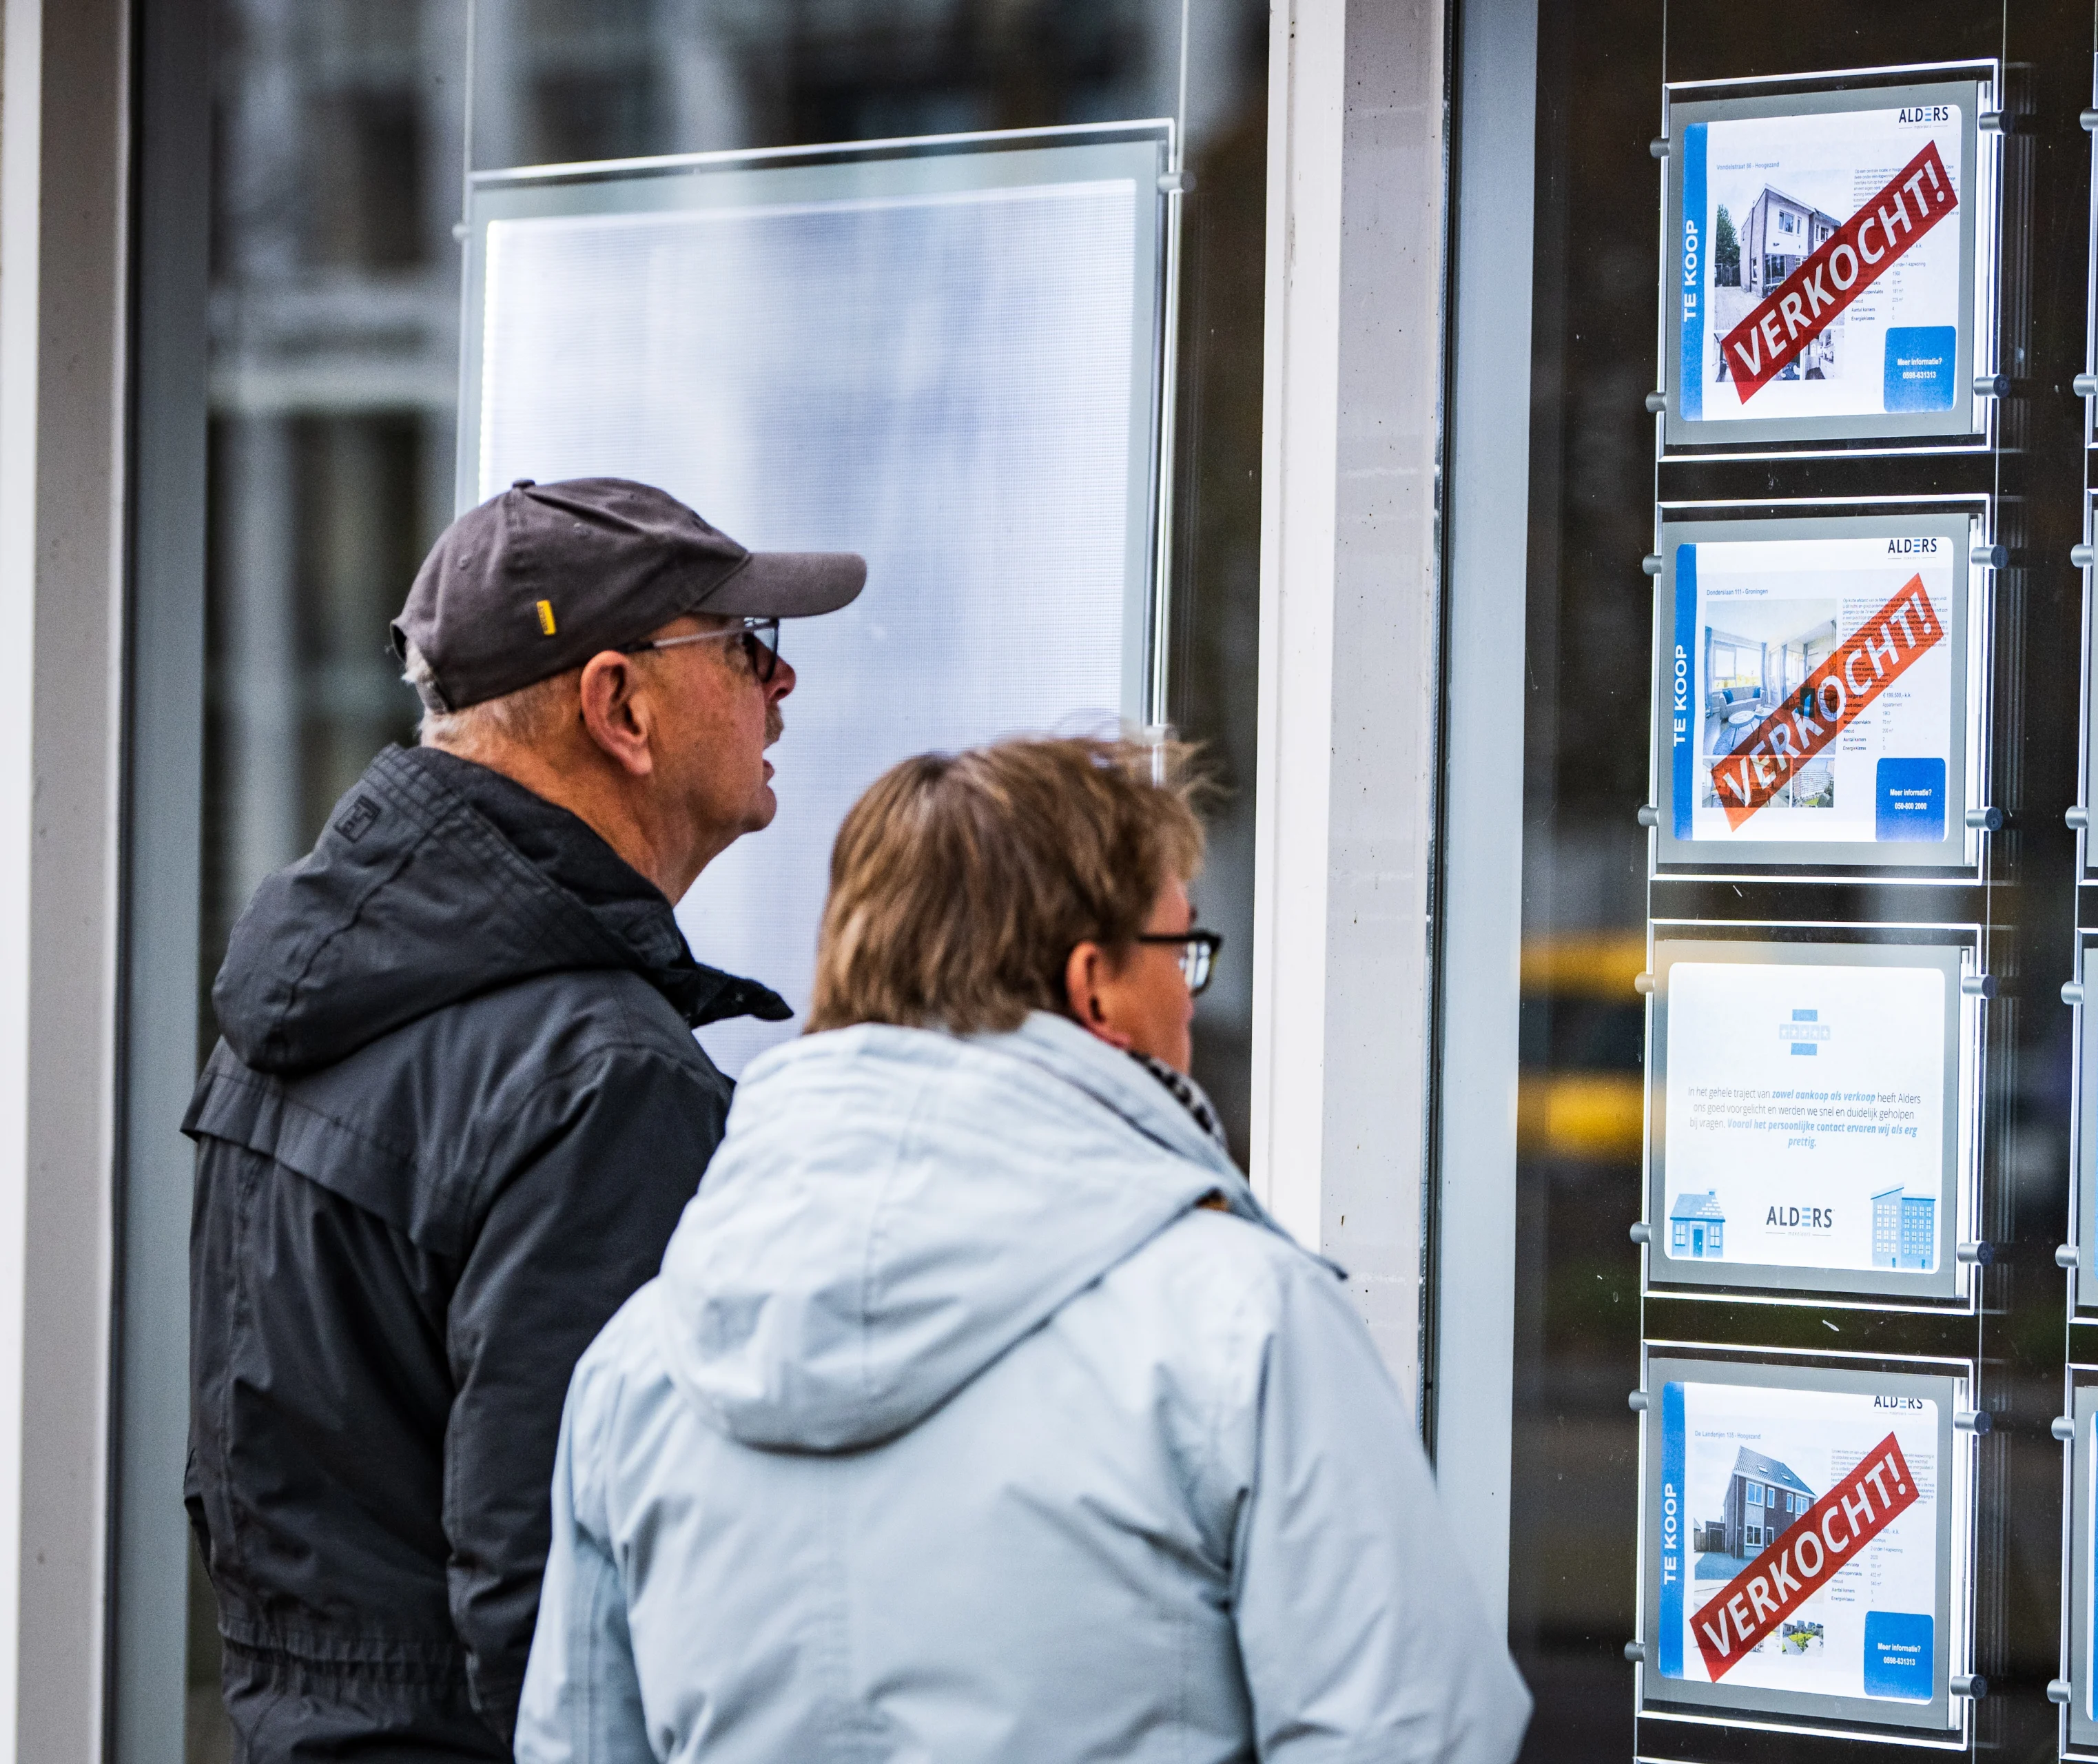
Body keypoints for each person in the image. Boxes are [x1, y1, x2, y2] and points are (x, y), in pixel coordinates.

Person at [515, 736, 1533, 1764]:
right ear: (1093, 987)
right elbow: (1415, 1737)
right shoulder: (1239, 1330)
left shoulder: (638, 1369)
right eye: (1182, 954)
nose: (1193, 999)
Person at [184, 478, 865, 1761]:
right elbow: (565, 1594)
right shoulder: (602, 1076)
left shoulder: (296, 1004)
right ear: (619, 705)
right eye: (746, 647)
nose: (782, 689)